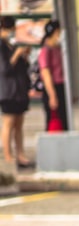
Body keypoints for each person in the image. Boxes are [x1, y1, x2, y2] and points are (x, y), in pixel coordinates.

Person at [0, 16, 31, 168]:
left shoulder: (11, 45)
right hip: (8, 91)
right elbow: (5, 69)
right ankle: (8, 156)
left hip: (19, 90)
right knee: (9, 122)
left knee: (19, 123)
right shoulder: (1, 46)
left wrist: (24, 55)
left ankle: (21, 154)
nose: (11, 32)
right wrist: (17, 54)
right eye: (9, 29)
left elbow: (21, 67)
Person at [38, 20, 68, 132]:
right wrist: (52, 95)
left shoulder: (59, 48)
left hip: (62, 86)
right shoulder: (46, 51)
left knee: (64, 119)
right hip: (53, 87)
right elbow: (46, 74)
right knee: (54, 120)